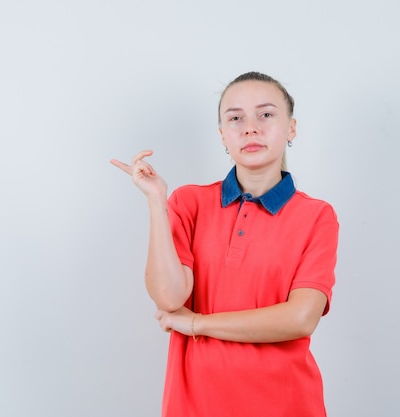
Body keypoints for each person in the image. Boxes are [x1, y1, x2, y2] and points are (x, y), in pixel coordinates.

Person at [111, 71, 339, 417]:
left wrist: (196, 324)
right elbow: (169, 297)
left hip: (287, 404)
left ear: (291, 128)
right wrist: (157, 202)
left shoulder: (316, 216)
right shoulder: (189, 203)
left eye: (266, 114)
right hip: (195, 406)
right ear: (222, 135)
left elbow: (300, 318)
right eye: (236, 118)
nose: (250, 128)